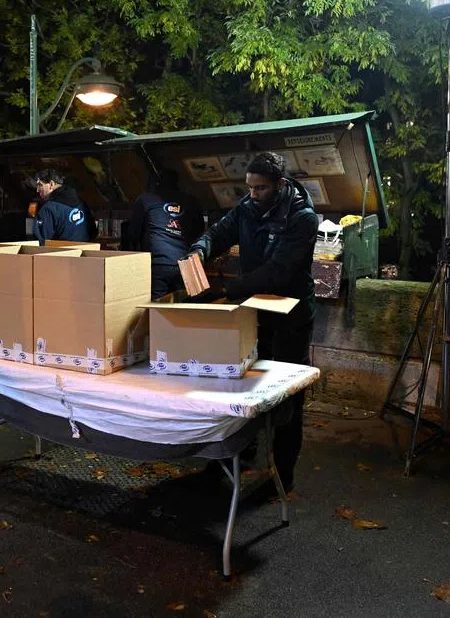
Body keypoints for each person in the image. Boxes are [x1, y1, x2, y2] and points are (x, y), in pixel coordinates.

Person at [188, 151, 319, 487]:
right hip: (254, 313)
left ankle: (282, 475)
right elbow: (219, 233)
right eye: (249, 187)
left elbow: (277, 273)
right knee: (244, 387)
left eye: (260, 188)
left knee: (288, 397)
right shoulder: (247, 208)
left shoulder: (302, 218)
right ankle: (238, 459)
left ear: (280, 185)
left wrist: (224, 289)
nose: (253, 194)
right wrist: (200, 249)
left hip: (291, 317)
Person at [128, 169, 203, 298]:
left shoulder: (145, 199)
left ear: (156, 183)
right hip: (188, 263)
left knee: (157, 307)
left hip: (158, 263)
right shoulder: (192, 201)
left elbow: (133, 233)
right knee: (189, 307)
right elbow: (200, 232)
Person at [33, 169, 97, 244]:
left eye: (40, 185)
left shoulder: (48, 209)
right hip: (85, 251)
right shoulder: (82, 203)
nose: (37, 190)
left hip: (60, 251)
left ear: (51, 184)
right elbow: (93, 233)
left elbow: (40, 243)